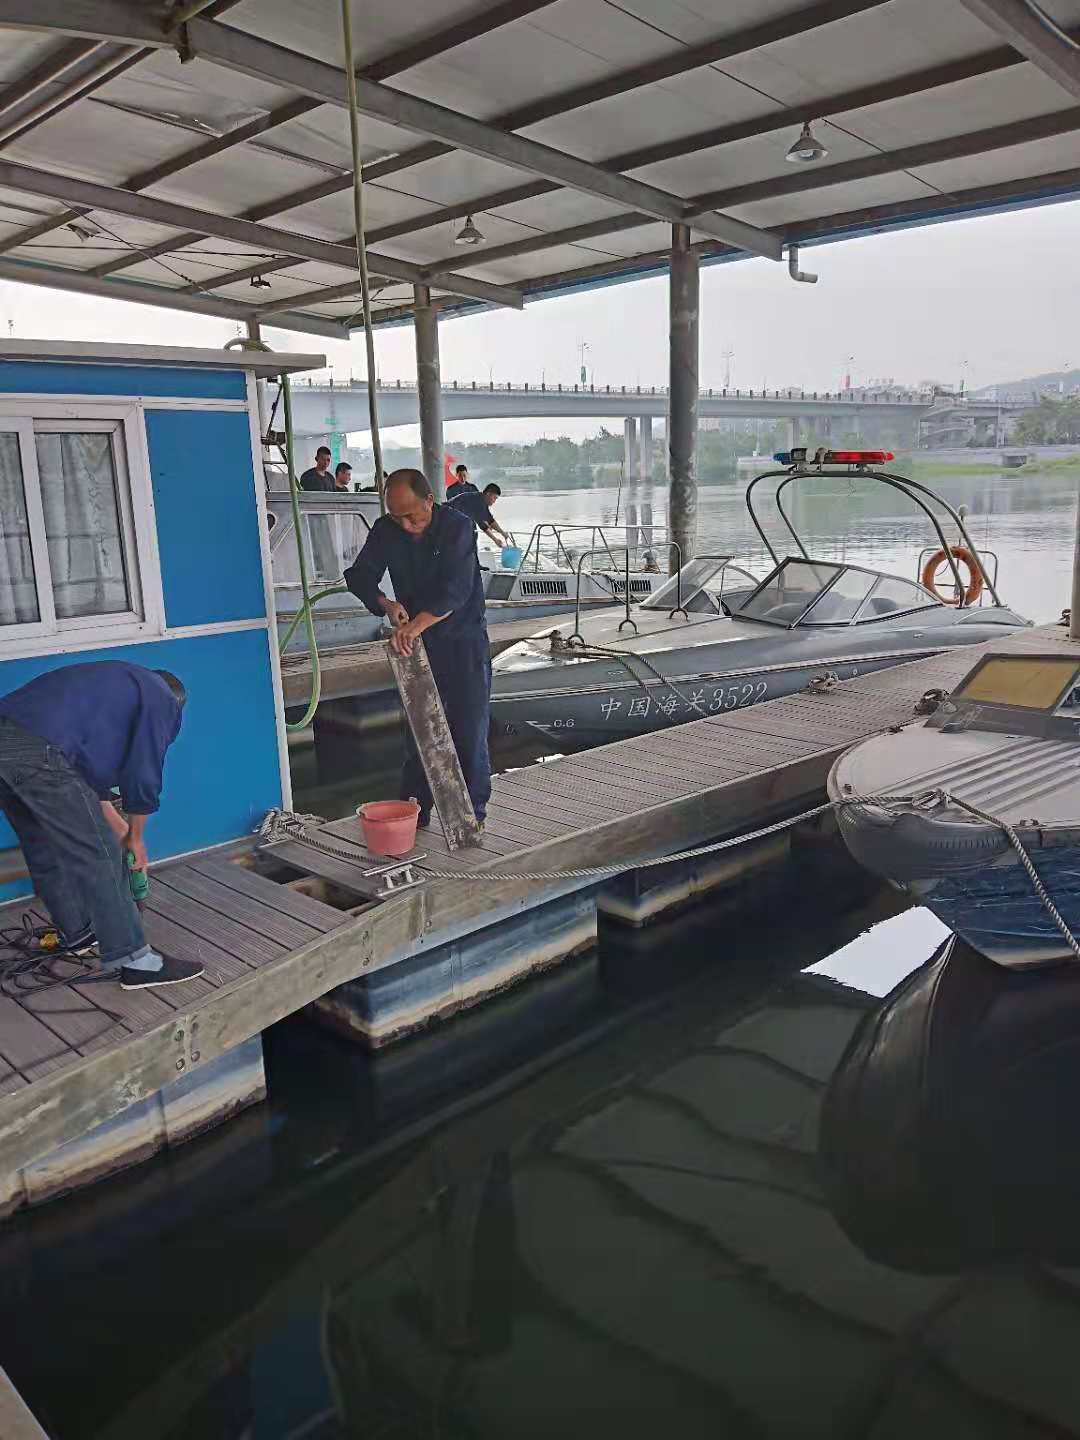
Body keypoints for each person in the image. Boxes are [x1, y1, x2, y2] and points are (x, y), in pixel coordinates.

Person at [0, 662, 203, 989]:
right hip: (36, 749)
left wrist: (122, 829)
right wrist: (136, 838)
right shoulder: (160, 698)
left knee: (42, 844)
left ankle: (78, 934)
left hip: (7, 738)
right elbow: (143, 772)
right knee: (100, 853)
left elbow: (87, 780)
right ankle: (136, 961)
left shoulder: (113, 689)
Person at [343, 469, 491, 829]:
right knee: (419, 729)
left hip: (463, 640)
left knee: (468, 728)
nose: (408, 525)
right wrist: (386, 604)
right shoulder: (386, 529)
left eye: (414, 515)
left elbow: (456, 590)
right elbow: (359, 575)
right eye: (398, 517)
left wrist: (413, 626)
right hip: (418, 644)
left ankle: (471, 817)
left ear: (429, 500)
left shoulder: (458, 526)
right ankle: (415, 811)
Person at [449, 482, 512, 547]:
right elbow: (482, 525)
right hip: (447, 517)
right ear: (488, 494)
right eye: (494, 498)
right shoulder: (478, 502)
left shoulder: (480, 499)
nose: (494, 501)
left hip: (452, 520)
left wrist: (502, 533)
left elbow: (490, 519)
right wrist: (495, 539)